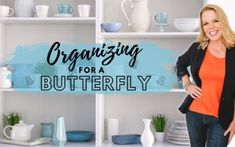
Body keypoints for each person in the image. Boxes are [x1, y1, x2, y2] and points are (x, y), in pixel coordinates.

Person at [176, 4, 235, 147]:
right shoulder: (197, 48)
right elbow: (180, 63)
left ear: (223, 21)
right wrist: (188, 84)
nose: (211, 27)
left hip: (221, 118)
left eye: (215, 21)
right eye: (206, 23)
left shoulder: (233, 51)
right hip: (194, 113)